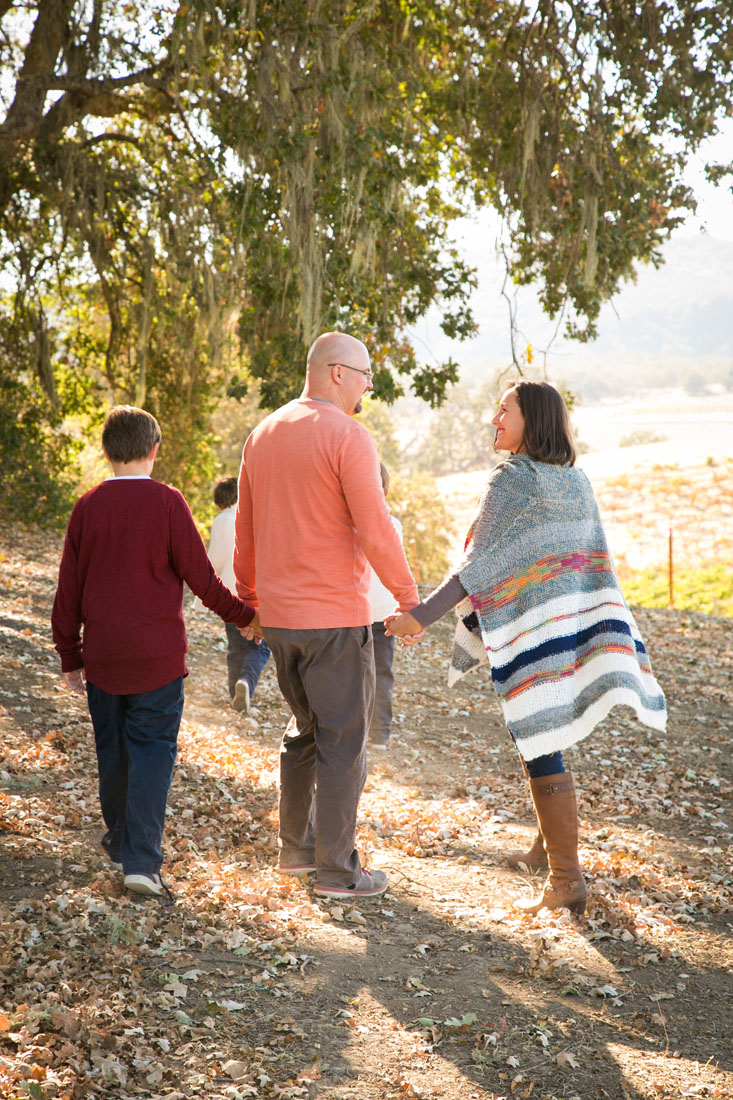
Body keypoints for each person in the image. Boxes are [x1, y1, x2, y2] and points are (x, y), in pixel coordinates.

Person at [385, 380, 667, 916]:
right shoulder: (575, 481)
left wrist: (418, 615)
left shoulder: (512, 479)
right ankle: (546, 850)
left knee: (539, 738)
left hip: (530, 634)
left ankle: (567, 878)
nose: (495, 419)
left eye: (503, 410)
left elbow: (480, 567)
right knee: (544, 733)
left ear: (530, 420)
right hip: (568, 626)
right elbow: (586, 560)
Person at [233, 332, 420, 899]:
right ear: (337, 373)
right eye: (365, 375)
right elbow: (377, 528)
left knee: (305, 735)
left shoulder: (262, 434)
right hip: (334, 620)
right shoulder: (349, 436)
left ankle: (297, 852)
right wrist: (409, 598)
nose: (368, 387)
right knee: (344, 744)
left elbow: (245, 531)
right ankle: (339, 873)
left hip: (282, 623)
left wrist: (249, 602)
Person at [51, 406, 255, 901]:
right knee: (151, 755)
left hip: (103, 657)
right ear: (155, 449)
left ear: (106, 450)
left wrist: (70, 656)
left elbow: (68, 591)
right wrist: (244, 617)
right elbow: (202, 578)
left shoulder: (88, 506)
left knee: (113, 752)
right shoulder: (168, 503)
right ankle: (141, 861)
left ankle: (122, 843)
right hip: (158, 659)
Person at [194, 476, 271, 714]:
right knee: (260, 647)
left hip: (230, 595)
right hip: (260, 593)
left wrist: (201, 598)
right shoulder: (258, 516)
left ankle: (234, 695)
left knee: (235, 647)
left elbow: (213, 561)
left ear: (220, 503)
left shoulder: (222, 520)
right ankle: (246, 683)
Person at [367, 462, 403, 749]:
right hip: (384, 614)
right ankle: (379, 734)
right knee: (382, 674)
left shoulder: (347, 524)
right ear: (386, 492)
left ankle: (357, 730)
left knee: (351, 674)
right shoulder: (395, 527)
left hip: (352, 613)